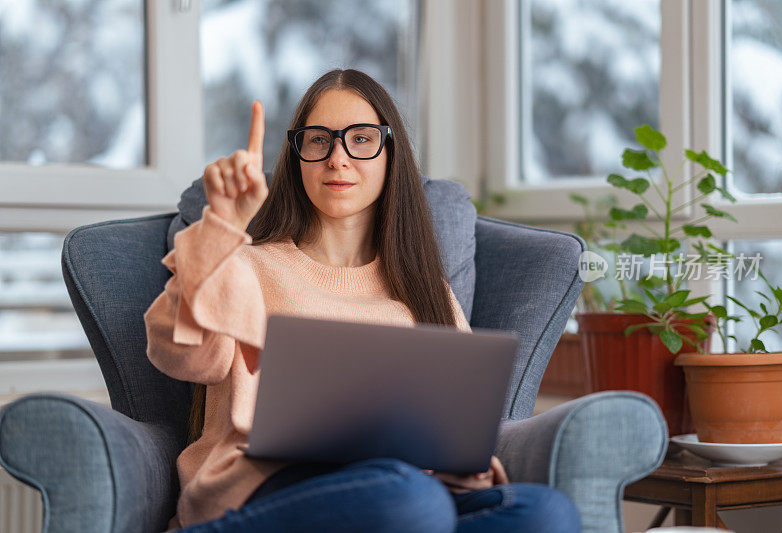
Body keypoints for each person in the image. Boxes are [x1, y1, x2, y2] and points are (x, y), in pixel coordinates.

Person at [144, 68, 581, 532]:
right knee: (410, 500)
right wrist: (222, 229)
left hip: (404, 495)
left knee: (546, 514)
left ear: (390, 154)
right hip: (273, 491)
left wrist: (468, 471)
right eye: (318, 140)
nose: (337, 159)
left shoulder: (425, 289)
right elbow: (181, 356)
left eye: (361, 138)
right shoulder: (247, 264)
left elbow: (459, 427)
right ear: (297, 156)